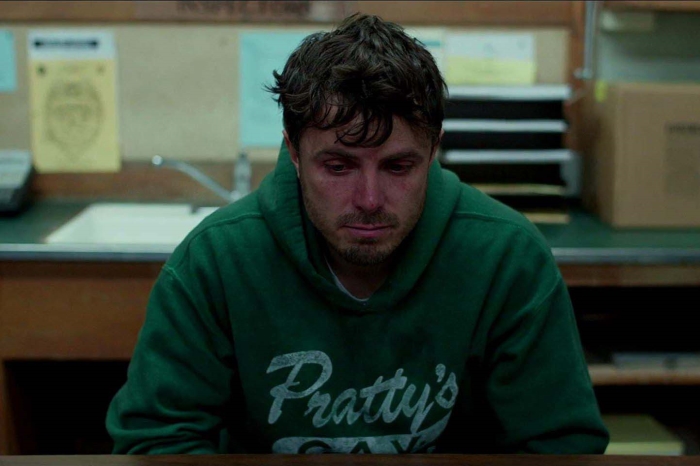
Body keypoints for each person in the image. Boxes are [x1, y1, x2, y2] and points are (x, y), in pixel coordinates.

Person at [107, 14, 609, 454]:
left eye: (398, 167)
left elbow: (561, 447)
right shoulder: (215, 262)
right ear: (294, 152)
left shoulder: (508, 260)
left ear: (434, 150)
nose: (369, 200)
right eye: (339, 166)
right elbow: (156, 441)